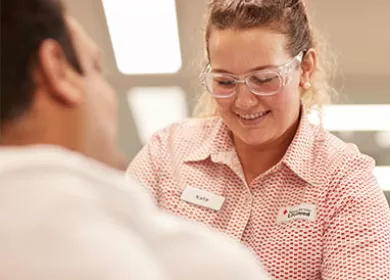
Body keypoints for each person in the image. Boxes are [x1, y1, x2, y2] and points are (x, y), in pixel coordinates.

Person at [0, 0, 271, 279]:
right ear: (57, 69)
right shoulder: (209, 266)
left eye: (263, 78)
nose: (245, 100)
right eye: (96, 68)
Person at [127, 0, 390, 279]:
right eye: (226, 82)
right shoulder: (166, 153)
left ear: (306, 68)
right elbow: (108, 255)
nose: (245, 101)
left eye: (264, 79)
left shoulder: (343, 181)